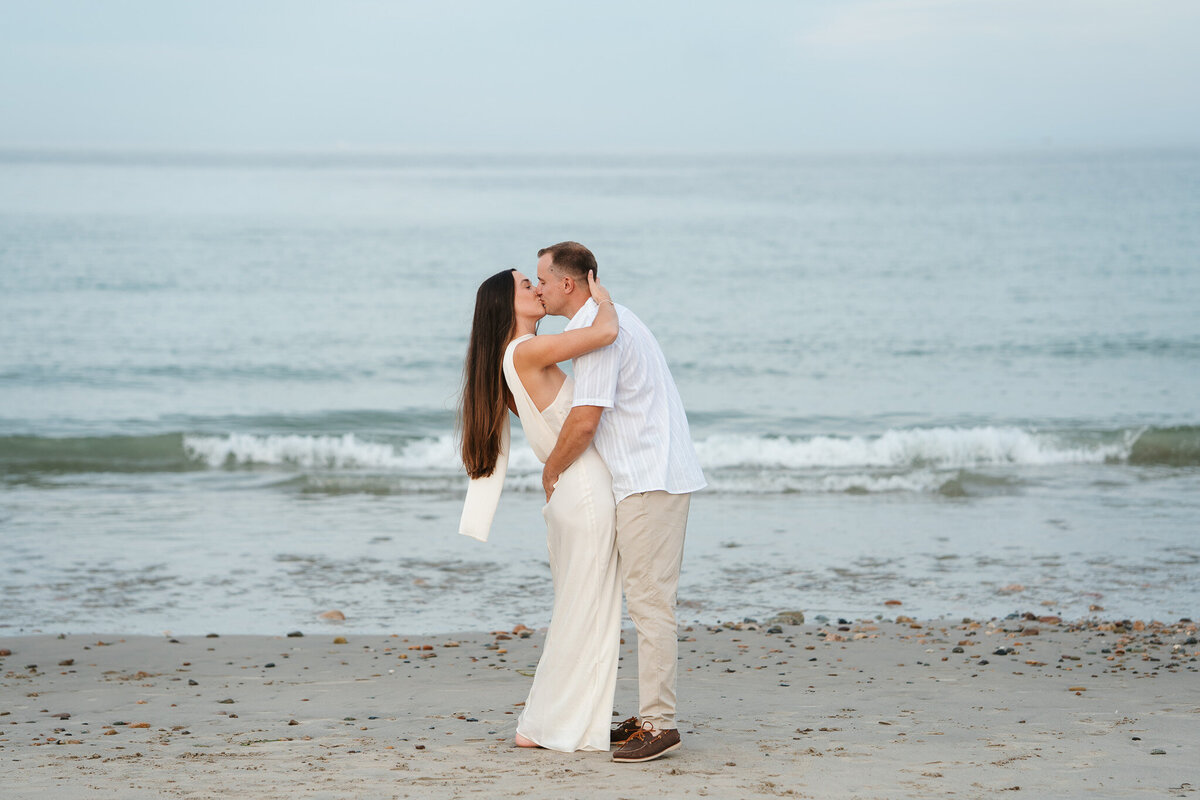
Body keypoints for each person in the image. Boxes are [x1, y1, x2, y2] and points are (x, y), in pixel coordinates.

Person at [536, 241, 706, 764]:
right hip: (649, 475)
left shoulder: (596, 333)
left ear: (569, 283)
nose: (538, 288)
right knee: (646, 598)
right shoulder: (608, 318)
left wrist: (552, 467)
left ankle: (660, 722)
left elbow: (585, 418)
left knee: (651, 602)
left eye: (543, 279)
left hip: (648, 479)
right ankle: (647, 714)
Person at [458, 266, 623, 753]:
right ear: (507, 306)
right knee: (587, 612)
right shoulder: (525, 351)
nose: (537, 288)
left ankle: (553, 722)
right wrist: (602, 297)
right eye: (525, 285)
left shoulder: (511, 361)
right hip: (583, 486)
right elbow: (606, 333)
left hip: (572, 490)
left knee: (580, 609)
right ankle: (546, 726)